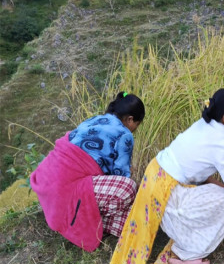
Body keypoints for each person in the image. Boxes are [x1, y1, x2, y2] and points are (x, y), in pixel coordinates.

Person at [108, 88, 224, 264]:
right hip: (167, 192)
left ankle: (179, 242)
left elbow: (205, 177)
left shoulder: (204, 124)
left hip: (154, 176)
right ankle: (188, 254)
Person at [30, 92, 145, 252]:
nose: (135, 130)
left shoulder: (96, 119)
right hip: (69, 186)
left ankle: (87, 219)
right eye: (137, 125)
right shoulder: (125, 134)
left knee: (132, 223)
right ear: (130, 119)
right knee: (128, 188)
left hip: (49, 183)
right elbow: (121, 175)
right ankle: (82, 220)